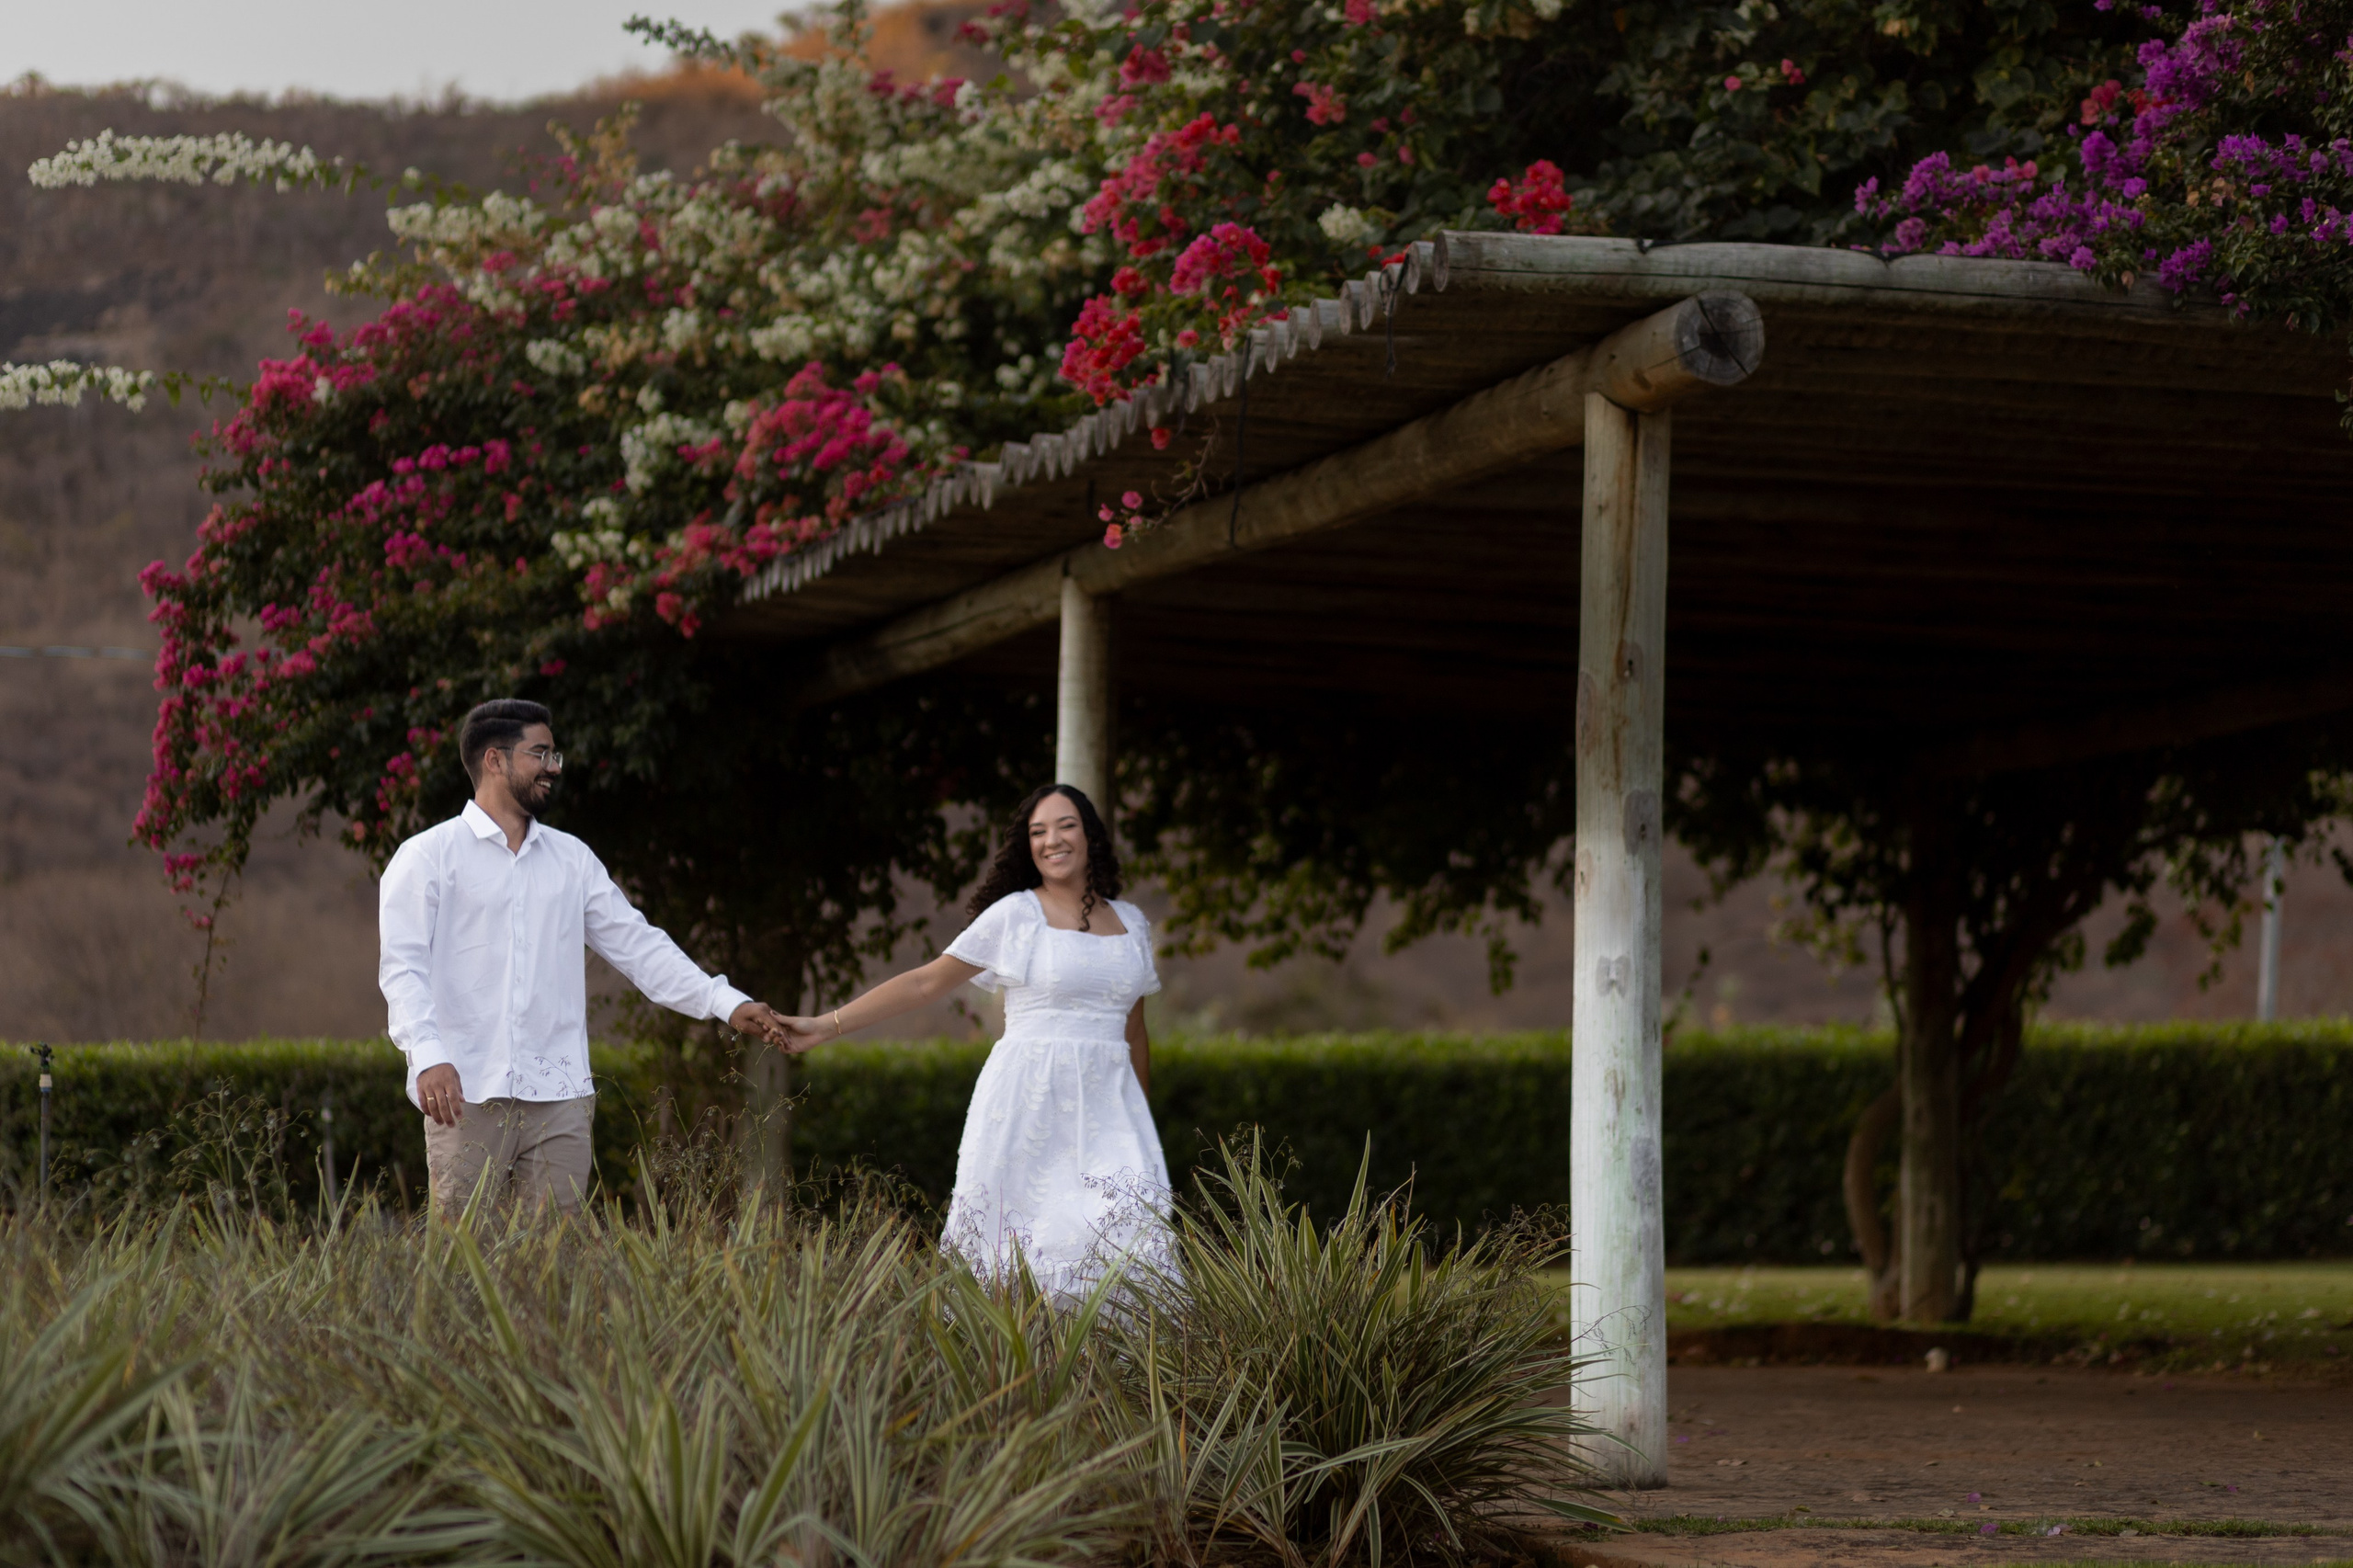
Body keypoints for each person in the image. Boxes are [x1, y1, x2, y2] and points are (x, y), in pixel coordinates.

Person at [379, 698, 790, 1216]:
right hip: (465, 1092)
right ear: (494, 760)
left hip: (561, 1100)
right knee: (462, 1256)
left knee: (556, 1258)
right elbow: (403, 969)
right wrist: (428, 1053)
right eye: (540, 754)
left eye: (555, 755)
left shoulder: (572, 859)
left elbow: (639, 946)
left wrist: (725, 1002)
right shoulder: (427, 856)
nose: (553, 767)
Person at [778, 783, 1172, 1292]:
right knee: (1022, 1258)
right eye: (1038, 832)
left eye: (1066, 825)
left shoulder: (1133, 924)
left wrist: (1139, 1124)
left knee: (1130, 1248)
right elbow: (925, 983)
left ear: (1090, 834)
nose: (1052, 840)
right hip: (1028, 1107)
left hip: (1112, 1118)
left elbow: (1134, 1030)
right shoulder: (1016, 916)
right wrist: (824, 1026)